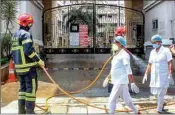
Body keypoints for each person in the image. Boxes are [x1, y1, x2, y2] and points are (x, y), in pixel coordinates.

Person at [11, 13, 45, 114]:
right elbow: (28, 51)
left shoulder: (15, 35)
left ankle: (21, 111)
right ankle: (30, 112)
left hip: (19, 68)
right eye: (30, 23)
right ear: (27, 24)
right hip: (28, 68)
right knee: (31, 89)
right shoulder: (26, 35)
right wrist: (39, 61)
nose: (31, 25)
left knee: (22, 89)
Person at [107, 36, 140, 114]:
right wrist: (109, 76)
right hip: (117, 80)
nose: (114, 43)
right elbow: (115, 67)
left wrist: (132, 82)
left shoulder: (124, 55)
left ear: (121, 44)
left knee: (112, 99)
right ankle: (136, 111)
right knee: (127, 100)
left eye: (116, 42)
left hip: (120, 81)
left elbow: (128, 69)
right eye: (114, 42)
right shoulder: (117, 54)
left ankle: (111, 113)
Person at [142, 34, 174, 114]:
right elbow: (150, 64)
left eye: (154, 42)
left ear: (159, 42)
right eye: (152, 42)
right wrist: (146, 74)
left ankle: (159, 110)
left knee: (160, 94)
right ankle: (162, 103)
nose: (153, 44)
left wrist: (170, 73)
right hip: (154, 76)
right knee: (155, 93)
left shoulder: (166, 51)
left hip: (163, 76)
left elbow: (170, 62)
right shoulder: (152, 52)